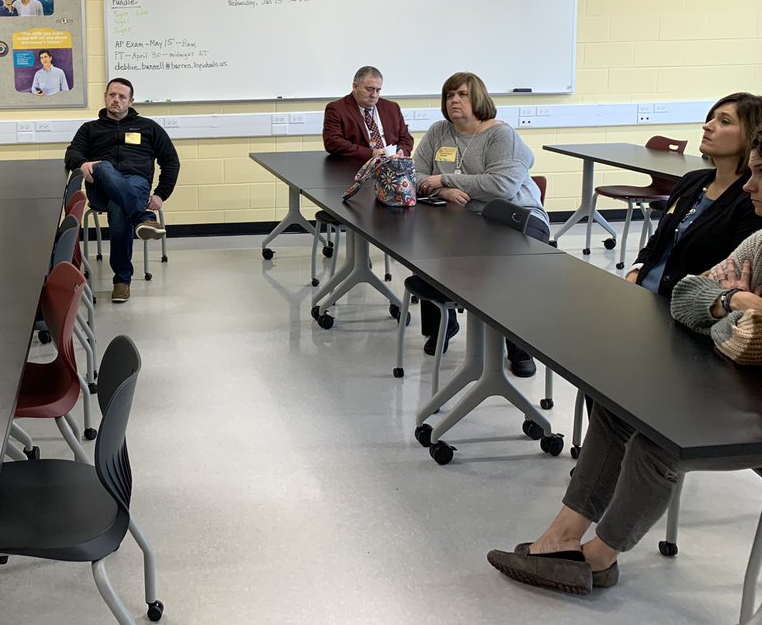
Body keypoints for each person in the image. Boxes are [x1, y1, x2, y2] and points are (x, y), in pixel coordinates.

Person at [487, 130, 762, 597]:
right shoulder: (758, 244)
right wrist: (735, 301)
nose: (750, 185)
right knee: (620, 407)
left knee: (660, 437)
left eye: (760, 174)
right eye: (752, 171)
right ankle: (564, 535)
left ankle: (598, 558)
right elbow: (687, 297)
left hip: (745, 409)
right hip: (730, 385)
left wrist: (727, 318)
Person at [413, 72, 547, 375]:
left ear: (479, 99)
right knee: (426, 251)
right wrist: (443, 190)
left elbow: (502, 185)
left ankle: (519, 347)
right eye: (449, 95)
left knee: (505, 272)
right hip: (467, 216)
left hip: (517, 219)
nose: (454, 101)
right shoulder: (439, 132)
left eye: (462, 94)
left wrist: (444, 178)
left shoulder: (501, 135)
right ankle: (442, 327)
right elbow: (415, 174)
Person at [626, 92, 762, 297]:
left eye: (724, 121)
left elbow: (730, 273)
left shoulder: (752, 199)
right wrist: (634, 275)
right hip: (644, 295)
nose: (708, 126)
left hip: (688, 309)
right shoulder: (692, 181)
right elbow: (657, 242)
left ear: (752, 135)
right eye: (711, 118)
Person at [64, 78, 180, 304]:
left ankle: (122, 280)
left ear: (131, 101)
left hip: (136, 183)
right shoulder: (90, 129)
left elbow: (171, 161)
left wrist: (160, 194)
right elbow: (71, 153)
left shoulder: (149, 127)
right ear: (105, 97)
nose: (116, 100)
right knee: (104, 166)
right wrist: (83, 163)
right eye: (112, 95)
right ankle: (143, 218)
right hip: (100, 188)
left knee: (119, 206)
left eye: (122, 96)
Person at [322, 65, 413, 162]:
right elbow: (333, 143)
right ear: (355, 86)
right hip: (357, 167)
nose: (374, 95)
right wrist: (371, 154)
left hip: (392, 167)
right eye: (369, 89)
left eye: (378, 90)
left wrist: (401, 152)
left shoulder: (392, 108)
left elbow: (406, 138)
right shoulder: (337, 109)